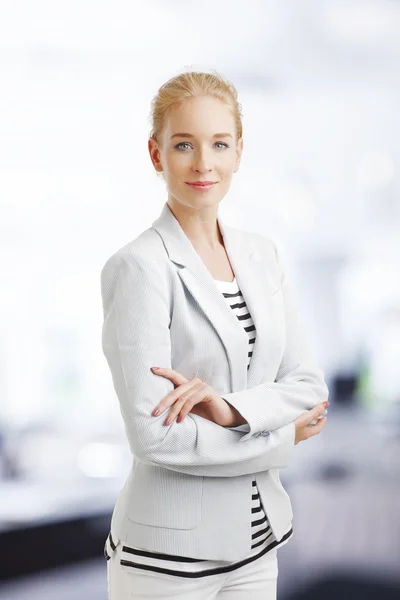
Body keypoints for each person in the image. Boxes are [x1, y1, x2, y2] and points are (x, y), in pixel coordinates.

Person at [101, 69, 329, 599]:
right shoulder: (139, 267)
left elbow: (308, 386)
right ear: (156, 155)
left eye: (219, 144)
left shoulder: (262, 254)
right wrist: (282, 436)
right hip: (166, 563)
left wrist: (228, 411)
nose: (203, 163)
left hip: (257, 546)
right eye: (184, 145)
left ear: (239, 152)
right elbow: (156, 436)